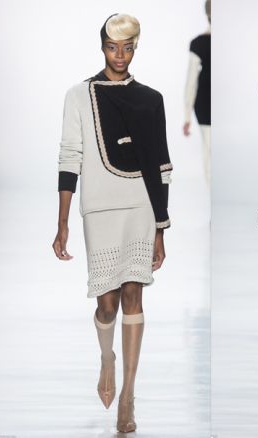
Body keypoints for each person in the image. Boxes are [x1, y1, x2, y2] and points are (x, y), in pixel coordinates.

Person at [52, 13, 172, 433]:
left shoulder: (151, 99)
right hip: (99, 207)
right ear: (102, 46)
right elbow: (70, 156)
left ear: (135, 48)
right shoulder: (78, 96)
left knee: (134, 295)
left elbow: (160, 165)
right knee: (107, 304)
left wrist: (160, 229)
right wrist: (63, 222)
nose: (119, 55)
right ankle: (108, 359)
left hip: (140, 205)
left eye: (127, 48)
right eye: (111, 47)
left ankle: (128, 396)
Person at [184, 0, 212, 186]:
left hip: (205, 103)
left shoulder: (199, 43)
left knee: (209, 150)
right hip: (210, 104)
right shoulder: (199, 43)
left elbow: (191, 83)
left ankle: (213, 192)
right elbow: (191, 82)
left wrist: (187, 116)